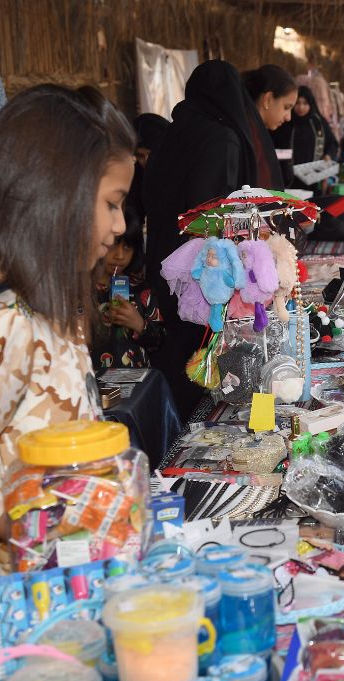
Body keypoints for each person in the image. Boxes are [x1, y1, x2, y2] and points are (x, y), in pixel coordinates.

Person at [0, 85, 134, 616]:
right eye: (111, 204)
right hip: (23, 606)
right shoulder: (8, 324)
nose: (121, 226)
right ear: (55, 197)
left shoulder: (53, 311)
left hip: (65, 584)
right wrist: (35, 531)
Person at [145, 60, 264, 419]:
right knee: (199, 355)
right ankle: (192, 432)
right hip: (201, 272)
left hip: (165, 261)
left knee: (178, 349)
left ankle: (172, 427)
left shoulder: (174, 131)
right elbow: (211, 210)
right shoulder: (221, 137)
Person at [91, 207, 163, 370]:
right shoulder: (80, 290)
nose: (120, 255)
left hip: (136, 384)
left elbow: (159, 342)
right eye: (113, 245)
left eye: (127, 247)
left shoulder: (142, 290)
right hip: (92, 382)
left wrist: (139, 324)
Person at [242, 64, 297, 190]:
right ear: (268, 99)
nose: (288, 117)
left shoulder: (255, 131)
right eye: (286, 107)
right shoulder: (249, 135)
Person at [274, 86, 339, 189]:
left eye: (305, 103)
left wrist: (328, 155)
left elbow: (332, 143)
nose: (301, 107)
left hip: (313, 179)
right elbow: (274, 146)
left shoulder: (319, 123)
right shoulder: (285, 122)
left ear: (311, 104)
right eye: (298, 103)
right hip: (287, 179)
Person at [125, 112, 170, 225]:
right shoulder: (138, 173)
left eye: (152, 153)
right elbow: (133, 215)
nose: (146, 161)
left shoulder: (188, 171)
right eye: (140, 156)